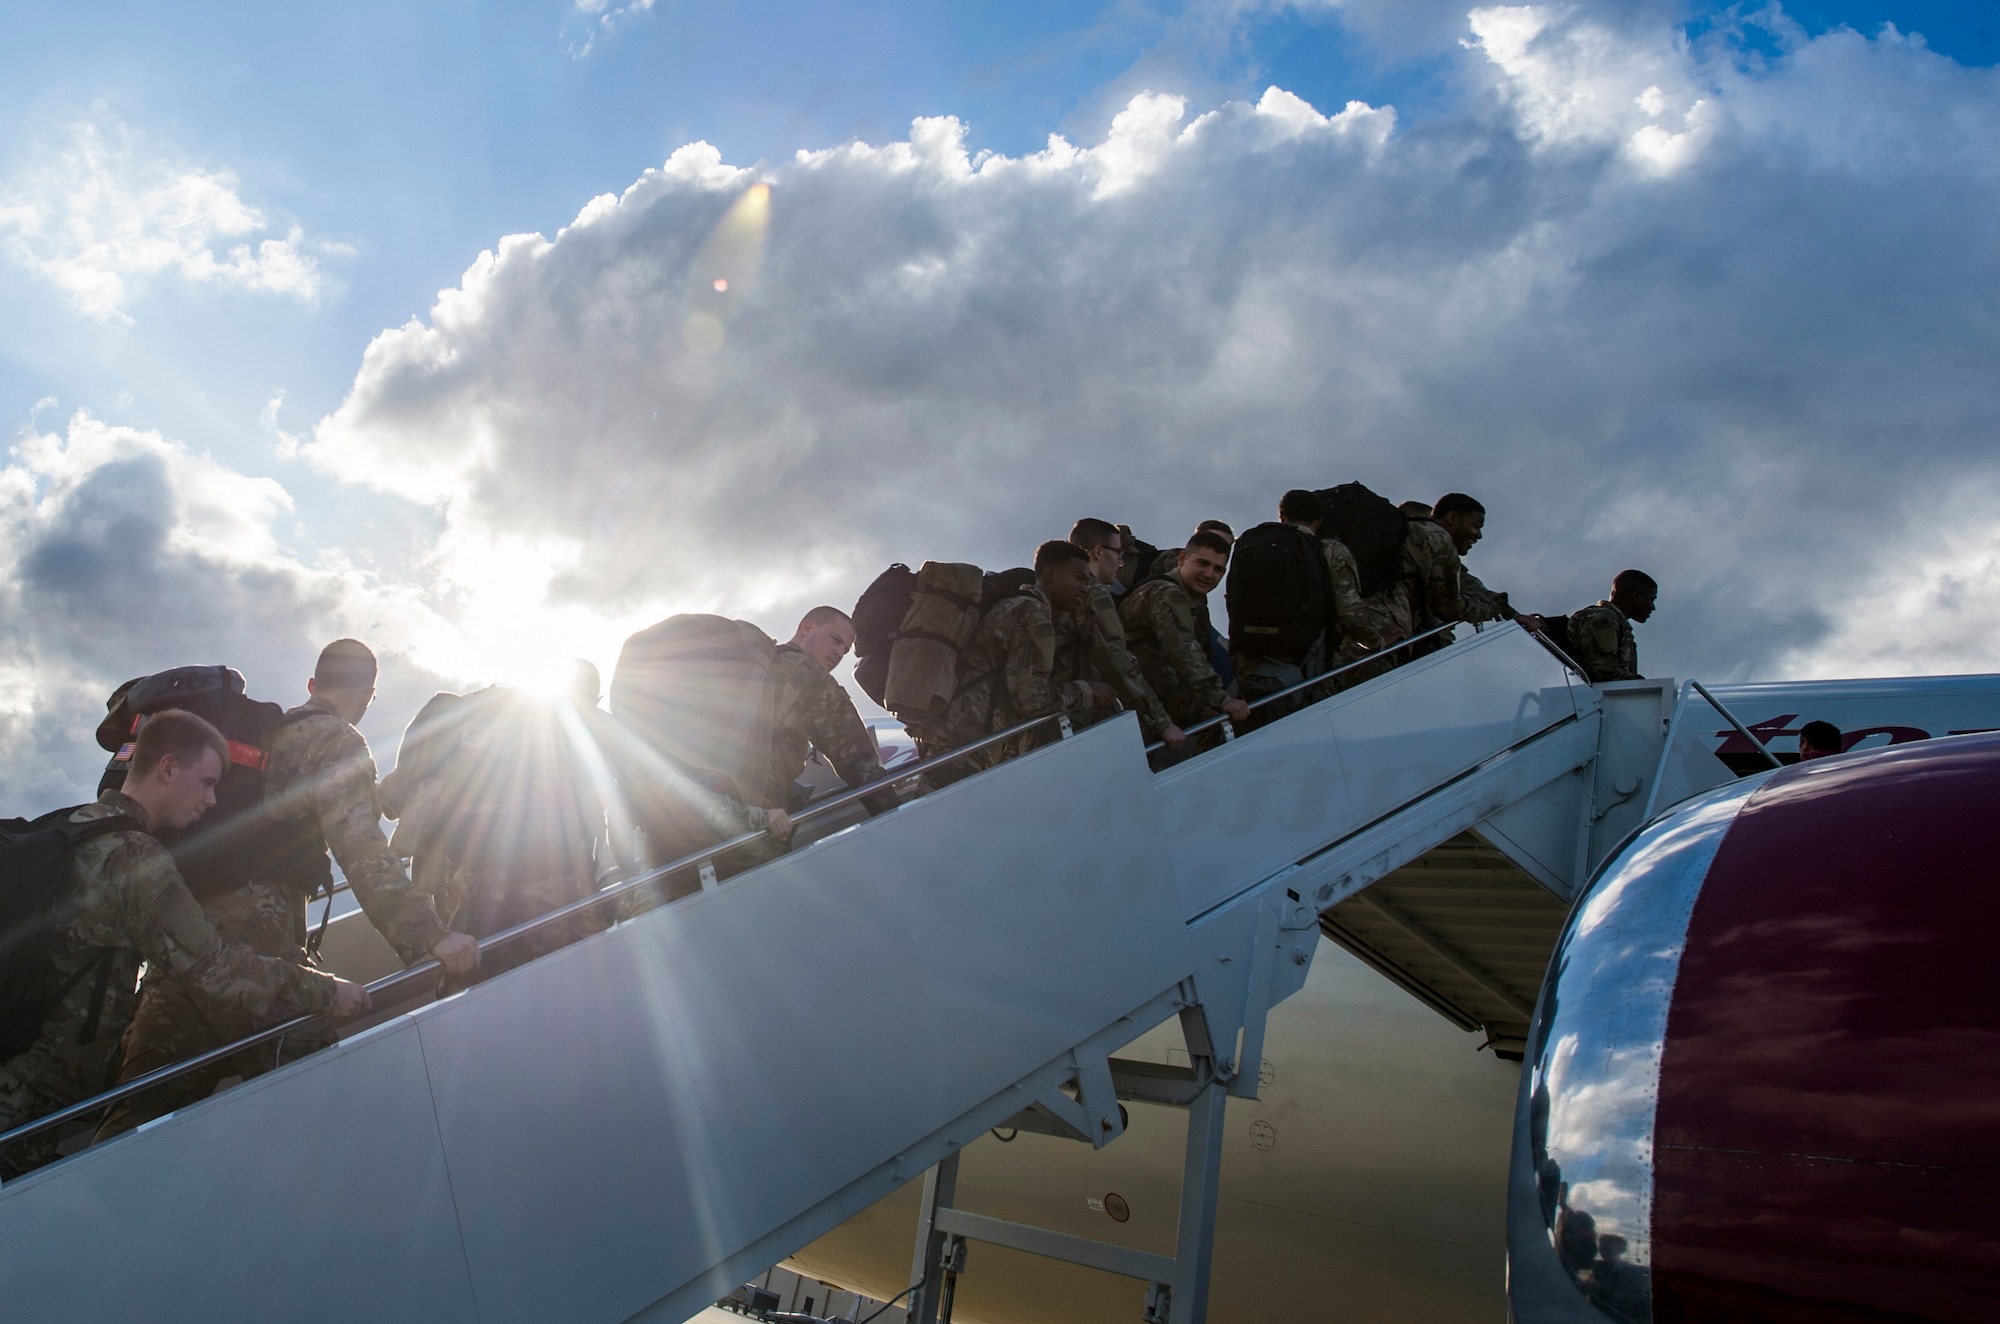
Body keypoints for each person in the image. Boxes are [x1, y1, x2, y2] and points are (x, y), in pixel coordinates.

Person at [97, 639, 477, 1139]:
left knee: (127, 1133)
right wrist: (430, 935)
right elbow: (361, 851)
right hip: (262, 956)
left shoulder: (261, 735)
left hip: (184, 952)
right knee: (324, 1109)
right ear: (368, 695)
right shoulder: (335, 740)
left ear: (313, 685)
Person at [1, 711, 365, 1175]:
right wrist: (325, 990)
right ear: (168, 768)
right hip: (30, 1101)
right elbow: (213, 969)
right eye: (206, 782)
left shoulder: (68, 827)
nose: (212, 800)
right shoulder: (135, 859)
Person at [933, 540, 1114, 774]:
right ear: (1048, 574)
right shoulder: (1033, 614)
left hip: (953, 733)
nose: (1084, 588)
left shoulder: (1013, 604)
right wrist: (1086, 690)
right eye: (1078, 578)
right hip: (972, 745)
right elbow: (1031, 700)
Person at [1122, 529, 1251, 744]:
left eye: (1218, 569)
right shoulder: (1166, 592)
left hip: (1166, 699)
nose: (1209, 574)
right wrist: (1219, 699)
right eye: (1202, 563)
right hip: (1141, 706)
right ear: (1182, 559)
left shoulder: (1194, 597)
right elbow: (1182, 650)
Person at [767, 607, 898, 814]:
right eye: (836, 640)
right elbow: (858, 761)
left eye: (845, 650)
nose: (839, 653)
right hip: (760, 817)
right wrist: (895, 815)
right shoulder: (811, 676)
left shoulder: (763, 663)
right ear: (806, 629)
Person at [1068, 520, 1183, 749]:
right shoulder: (1095, 593)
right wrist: (1161, 722)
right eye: (1118, 553)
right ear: (1099, 551)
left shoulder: (1067, 592)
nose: (1121, 562)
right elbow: (1116, 658)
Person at [1568, 570, 1658, 684]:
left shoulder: (1615, 622)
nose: (1653, 607)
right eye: (1651, 599)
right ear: (1636, 596)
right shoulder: (1603, 619)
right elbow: (1603, 670)